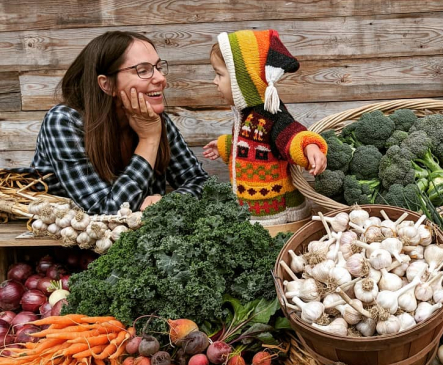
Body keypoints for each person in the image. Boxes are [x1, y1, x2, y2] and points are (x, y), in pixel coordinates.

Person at [28, 31, 208, 214]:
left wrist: (171, 202)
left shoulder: (154, 119)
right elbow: (105, 211)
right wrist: (149, 140)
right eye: (143, 70)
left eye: (158, 67)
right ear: (107, 84)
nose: (161, 79)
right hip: (60, 239)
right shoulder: (64, 122)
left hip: (139, 237)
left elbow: (200, 182)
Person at [202, 29, 328, 226]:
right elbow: (253, 146)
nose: (214, 81)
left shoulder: (271, 114)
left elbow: (291, 136)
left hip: (278, 218)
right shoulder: (247, 114)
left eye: (219, 74)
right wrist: (225, 145)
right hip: (254, 215)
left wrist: (309, 147)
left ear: (243, 79)